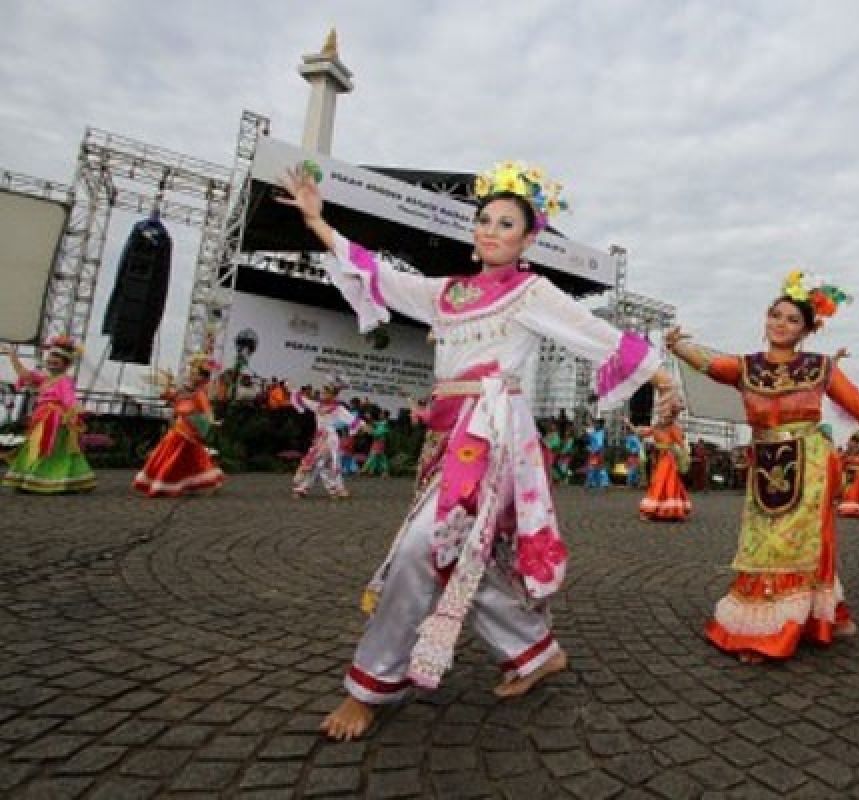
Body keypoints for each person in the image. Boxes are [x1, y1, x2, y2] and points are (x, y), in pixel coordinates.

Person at [277, 159, 677, 740]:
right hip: (445, 436)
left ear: (529, 239)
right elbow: (379, 275)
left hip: (490, 437)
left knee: (421, 548)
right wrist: (318, 221)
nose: (490, 230)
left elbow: (600, 337)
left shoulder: (531, 292)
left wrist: (663, 381)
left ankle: (369, 684)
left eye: (506, 223)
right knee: (468, 553)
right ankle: (535, 652)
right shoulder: (447, 293)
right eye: (484, 219)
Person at [666, 271, 859, 664]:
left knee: (795, 541)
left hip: (809, 462)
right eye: (776, 315)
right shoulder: (747, 367)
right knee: (762, 539)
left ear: (806, 330)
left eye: (793, 319)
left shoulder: (821, 367)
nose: (781, 324)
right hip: (766, 461)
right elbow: (709, 362)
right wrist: (677, 344)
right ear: (766, 318)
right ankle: (801, 618)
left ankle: (776, 631)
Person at [1, 338, 95, 494]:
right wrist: (13, 356)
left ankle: (46, 480)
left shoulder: (64, 380)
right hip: (42, 419)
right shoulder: (45, 379)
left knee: (48, 449)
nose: (51, 362)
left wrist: (76, 411)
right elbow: (25, 375)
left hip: (55, 421)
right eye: (50, 359)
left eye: (56, 360)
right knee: (37, 448)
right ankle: (33, 478)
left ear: (66, 364)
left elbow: (69, 399)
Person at [133, 355, 225, 496]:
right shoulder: (184, 389)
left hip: (190, 429)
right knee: (186, 456)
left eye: (197, 374)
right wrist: (166, 388)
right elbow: (170, 396)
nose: (193, 376)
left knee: (183, 455)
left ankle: (168, 482)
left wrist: (212, 421)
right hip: (181, 427)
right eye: (193, 373)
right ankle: (197, 481)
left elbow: (207, 410)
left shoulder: (199, 393)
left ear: (203, 379)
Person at [292, 374, 360, 499]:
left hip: (330, 439)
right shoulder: (318, 405)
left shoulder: (337, 408)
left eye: (326, 391)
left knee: (325, 463)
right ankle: (334, 489)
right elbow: (303, 400)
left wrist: (360, 426)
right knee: (320, 464)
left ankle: (309, 488)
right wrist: (293, 390)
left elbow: (352, 420)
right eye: (323, 391)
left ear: (333, 395)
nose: (322, 393)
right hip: (319, 439)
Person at [629, 401, 692, 521]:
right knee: (666, 483)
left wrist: (684, 457)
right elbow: (640, 432)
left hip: (668, 459)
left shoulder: (673, 428)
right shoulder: (656, 428)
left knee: (664, 482)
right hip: (658, 458)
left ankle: (653, 510)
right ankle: (670, 510)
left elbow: (682, 444)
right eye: (663, 416)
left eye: (667, 416)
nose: (664, 418)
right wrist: (629, 424)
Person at [837, 431, 859, 517]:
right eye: (849, 443)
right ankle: (847, 511)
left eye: (853, 443)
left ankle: (857, 511)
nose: (849, 444)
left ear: (857, 444)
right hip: (849, 476)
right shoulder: (845, 454)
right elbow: (839, 463)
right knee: (848, 493)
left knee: (858, 493)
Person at [361, 410, 391, 477]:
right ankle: (374, 471)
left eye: (381, 414)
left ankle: (365, 470)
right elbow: (374, 424)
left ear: (385, 415)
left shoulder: (385, 424)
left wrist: (369, 430)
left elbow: (378, 433)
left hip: (379, 442)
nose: (380, 415)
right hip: (378, 442)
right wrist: (369, 419)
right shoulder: (382, 423)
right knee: (380, 457)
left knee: (373, 456)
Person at [584, 419, 610, 488]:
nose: (595, 425)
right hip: (596, 453)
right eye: (595, 423)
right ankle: (599, 483)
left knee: (595, 467)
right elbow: (587, 439)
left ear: (600, 425)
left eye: (596, 423)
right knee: (597, 468)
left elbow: (599, 445)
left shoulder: (600, 433)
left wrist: (593, 450)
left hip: (597, 453)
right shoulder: (595, 432)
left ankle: (594, 483)